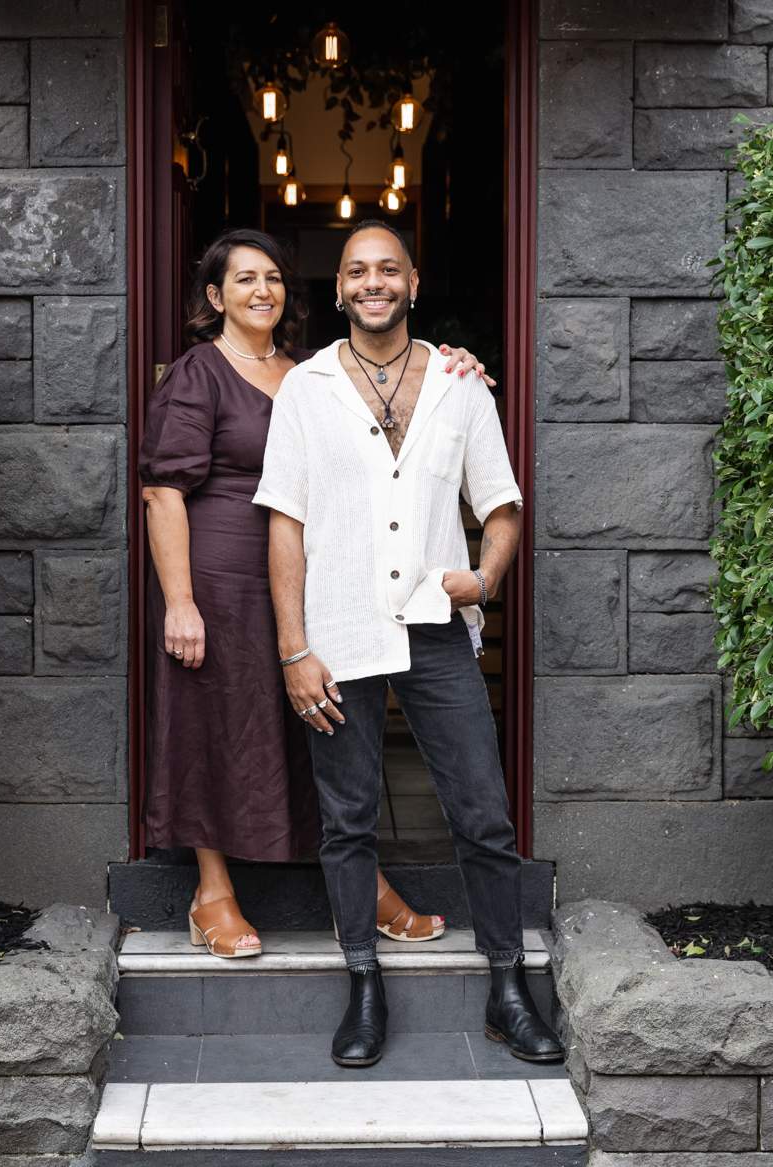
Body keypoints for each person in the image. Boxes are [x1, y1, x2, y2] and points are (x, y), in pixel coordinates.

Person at [253, 221, 565, 1068]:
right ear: (341, 287)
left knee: (485, 816)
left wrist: (487, 577)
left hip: (433, 625)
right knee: (349, 820)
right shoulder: (307, 390)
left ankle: (509, 988)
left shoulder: (462, 385)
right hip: (340, 631)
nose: (373, 282)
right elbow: (286, 525)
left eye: (388, 268)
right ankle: (363, 984)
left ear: (413, 282)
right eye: (358, 270)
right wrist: (293, 648)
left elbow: (501, 507)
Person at [138, 227, 493, 959]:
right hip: (218, 580)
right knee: (213, 724)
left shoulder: (308, 373)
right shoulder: (199, 372)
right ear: (215, 296)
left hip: (306, 579)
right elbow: (161, 491)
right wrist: (180, 600)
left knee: (318, 728)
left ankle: (356, 886)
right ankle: (212, 892)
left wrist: (457, 365)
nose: (262, 290)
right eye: (244, 280)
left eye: (273, 277)